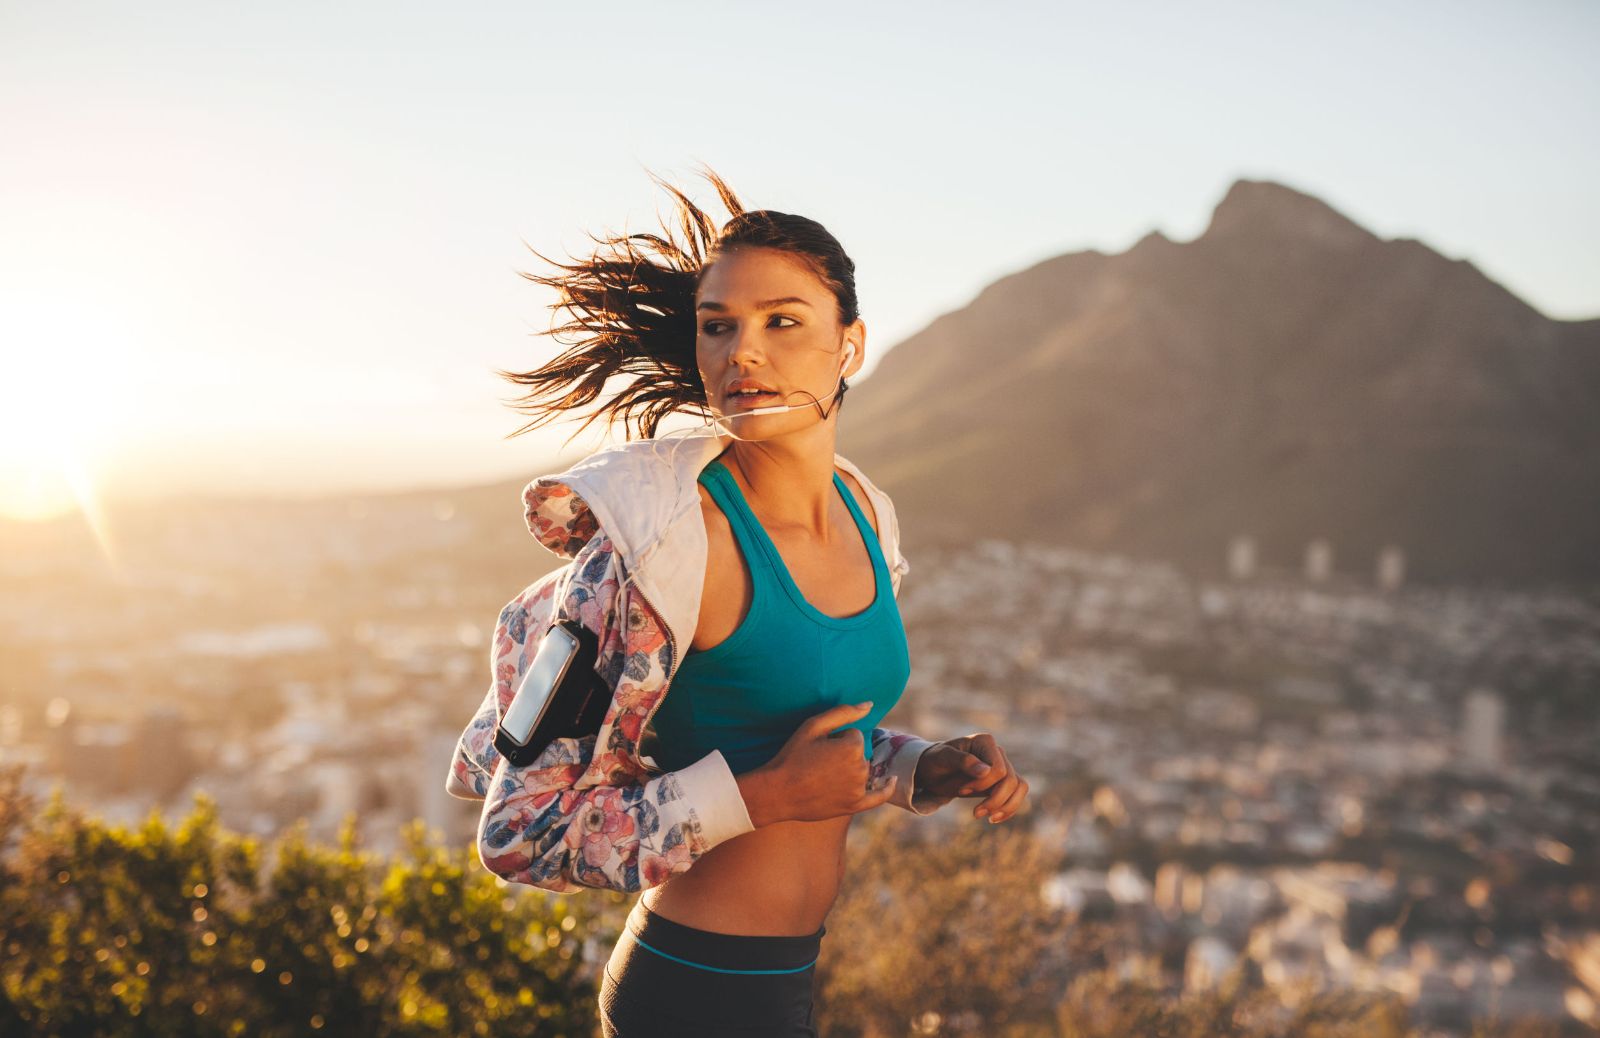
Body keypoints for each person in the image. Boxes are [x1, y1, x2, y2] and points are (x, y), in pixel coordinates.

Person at [445, 166, 1029, 1036]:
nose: (741, 352)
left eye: (782, 322)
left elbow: (803, 734)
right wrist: (765, 798)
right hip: (686, 992)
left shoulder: (868, 515)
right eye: (718, 327)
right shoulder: (660, 549)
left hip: (786, 977)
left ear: (851, 346)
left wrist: (915, 768)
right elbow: (521, 832)